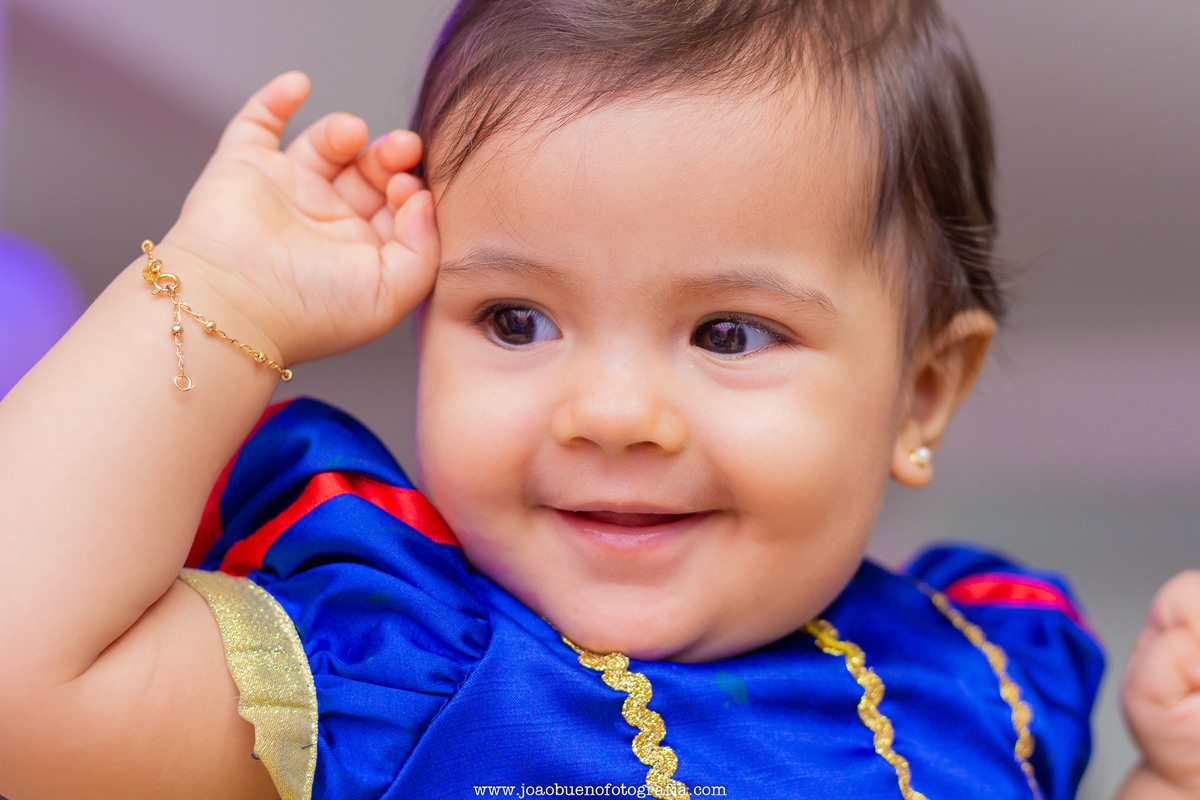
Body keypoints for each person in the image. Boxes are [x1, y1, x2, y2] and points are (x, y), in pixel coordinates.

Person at [0, 1, 1196, 798]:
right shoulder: (385, 669)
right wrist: (216, 293)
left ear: (923, 394)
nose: (612, 412)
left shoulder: (982, 678)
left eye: (728, 332)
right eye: (516, 320)